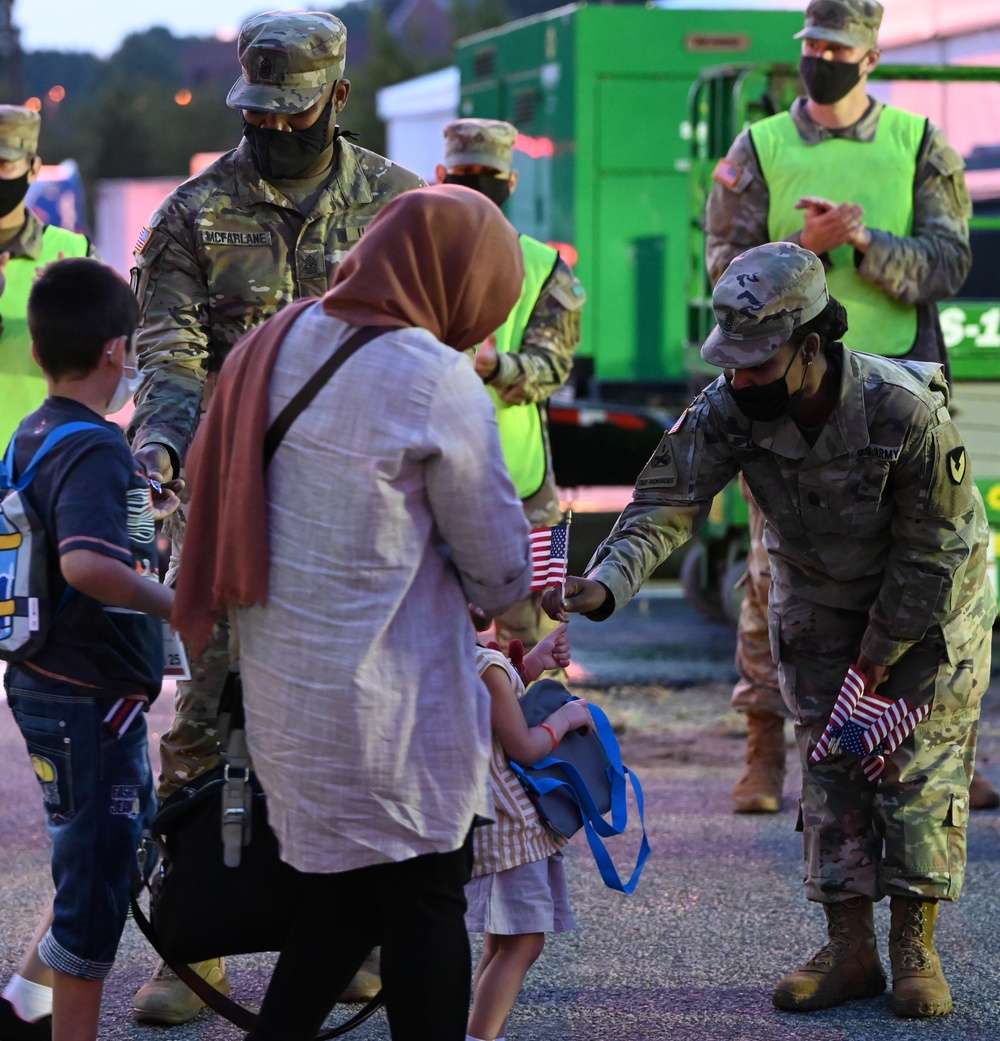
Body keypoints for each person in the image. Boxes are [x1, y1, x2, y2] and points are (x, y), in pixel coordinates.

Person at [547, 242, 995, 1018]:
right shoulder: (730, 404)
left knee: (915, 768)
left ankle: (914, 945)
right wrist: (605, 582)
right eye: (732, 361)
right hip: (817, 598)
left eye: (757, 361)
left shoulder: (903, 410)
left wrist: (879, 661)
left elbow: (934, 550)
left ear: (810, 347)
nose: (739, 378)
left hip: (926, 604)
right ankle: (849, 948)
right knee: (831, 760)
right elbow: (663, 500)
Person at [168, 184, 533, 1041]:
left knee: (342, 894)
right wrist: (523, 610)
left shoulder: (274, 338)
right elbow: (498, 565)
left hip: (288, 700)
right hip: (394, 713)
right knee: (424, 900)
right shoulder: (431, 374)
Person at [125, 9, 425, 1022]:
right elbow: (168, 350)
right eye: (255, 111)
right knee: (205, 720)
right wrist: (163, 445)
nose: (270, 129)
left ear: (337, 98)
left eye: (290, 112)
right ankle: (190, 943)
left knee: (354, 730)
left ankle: (352, 939)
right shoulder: (194, 212)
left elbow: (429, 352)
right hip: (232, 513)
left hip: (359, 524)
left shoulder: (399, 207)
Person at [702, 0, 1000, 813]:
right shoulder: (758, 145)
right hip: (791, 394)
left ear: (869, 59)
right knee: (773, 580)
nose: (820, 59)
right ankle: (766, 754)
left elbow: (947, 263)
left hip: (902, 388)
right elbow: (724, 270)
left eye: (837, 47)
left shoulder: (919, 144)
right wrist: (810, 254)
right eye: (812, 45)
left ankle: (936, 746)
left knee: (925, 574)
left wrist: (866, 245)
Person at [0, 258, 179, 1041]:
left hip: (46, 682)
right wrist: (183, 606)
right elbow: (84, 563)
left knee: (103, 854)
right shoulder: (96, 445)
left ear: (38, 354)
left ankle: (23, 1007)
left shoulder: (34, 431)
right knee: (96, 890)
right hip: (87, 697)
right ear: (117, 350)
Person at [436, 118, 585, 659]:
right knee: (434, 645)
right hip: (430, 480)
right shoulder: (412, 260)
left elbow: (554, 366)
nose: (477, 187)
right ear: (440, 175)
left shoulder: (544, 267)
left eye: (489, 176)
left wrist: (495, 365)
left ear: (512, 182)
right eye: (464, 175)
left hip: (523, 485)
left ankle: (548, 740)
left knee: (537, 648)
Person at [465, 620, 592, 1041]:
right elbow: (522, 744)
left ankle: (486, 1033)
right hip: (508, 827)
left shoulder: (453, 653)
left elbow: (493, 707)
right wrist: (566, 718)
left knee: (501, 941)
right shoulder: (486, 664)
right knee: (523, 943)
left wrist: (532, 663)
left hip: (480, 818)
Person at [0, 105, 95, 449]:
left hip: (45, 474)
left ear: (33, 168)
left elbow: (117, 377)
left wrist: (68, 323)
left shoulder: (73, 253)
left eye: (3, 164)